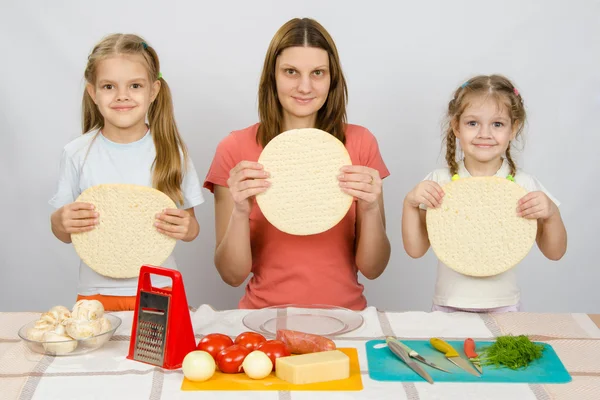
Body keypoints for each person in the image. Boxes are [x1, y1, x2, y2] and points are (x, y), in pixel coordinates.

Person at [204, 18, 391, 310]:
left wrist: (369, 207)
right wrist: (241, 211)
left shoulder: (360, 143)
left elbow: (374, 268)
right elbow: (231, 274)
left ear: (332, 79)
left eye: (318, 73)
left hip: (347, 319)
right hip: (263, 322)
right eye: (291, 72)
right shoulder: (235, 148)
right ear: (272, 76)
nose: (305, 86)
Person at [49, 34, 203, 311]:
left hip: (160, 288)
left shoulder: (172, 151)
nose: (122, 95)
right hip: (95, 293)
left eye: (135, 85)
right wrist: (61, 220)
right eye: (109, 86)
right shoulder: (77, 153)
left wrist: (186, 227)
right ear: (93, 92)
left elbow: (191, 229)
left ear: (153, 91)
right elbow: (63, 232)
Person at [402, 74, 567, 313]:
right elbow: (415, 250)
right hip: (448, 305)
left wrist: (551, 214)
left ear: (514, 128)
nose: (484, 134)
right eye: (472, 123)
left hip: (504, 306)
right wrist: (410, 203)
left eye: (497, 124)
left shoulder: (523, 184)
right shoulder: (440, 182)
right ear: (456, 126)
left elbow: (555, 252)